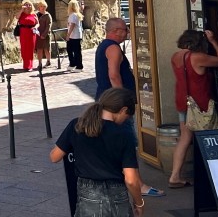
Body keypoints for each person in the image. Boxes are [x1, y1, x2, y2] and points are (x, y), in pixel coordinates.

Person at [50, 88, 146, 217]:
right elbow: (131, 179)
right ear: (123, 110)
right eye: (127, 117)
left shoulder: (77, 125)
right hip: (117, 193)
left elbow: (54, 157)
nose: (125, 120)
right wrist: (139, 203)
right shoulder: (124, 134)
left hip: (88, 194)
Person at [93, 18, 162, 198]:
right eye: (125, 30)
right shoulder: (114, 48)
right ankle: (138, 184)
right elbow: (114, 75)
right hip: (116, 105)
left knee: (114, 142)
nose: (127, 33)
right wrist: (122, 100)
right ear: (116, 31)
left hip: (105, 100)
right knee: (128, 141)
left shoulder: (104, 46)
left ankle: (119, 179)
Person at [168, 29, 218, 188]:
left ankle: (175, 176)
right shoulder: (198, 57)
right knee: (210, 136)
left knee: (185, 138)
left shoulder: (175, 56)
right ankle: (214, 175)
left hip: (183, 101)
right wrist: (213, 41)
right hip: (200, 103)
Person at [15, 1, 39, 72]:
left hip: (31, 33)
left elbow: (38, 24)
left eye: (29, 5)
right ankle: (25, 65)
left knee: (30, 49)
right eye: (26, 5)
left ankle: (30, 66)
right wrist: (22, 9)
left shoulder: (34, 14)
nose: (28, 6)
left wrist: (36, 27)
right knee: (24, 49)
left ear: (31, 6)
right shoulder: (21, 14)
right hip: (23, 33)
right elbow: (16, 17)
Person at [65, 0, 84, 72]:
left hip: (74, 36)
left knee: (76, 51)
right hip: (75, 35)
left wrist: (68, 35)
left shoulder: (73, 15)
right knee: (70, 50)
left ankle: (79, 66)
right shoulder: (74, 15)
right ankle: (72, 63)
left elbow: (72, 25)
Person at [34, 0, 53, 70]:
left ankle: (48, 61)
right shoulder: (36, 15)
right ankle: (40, 63)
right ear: (39, 7)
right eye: (41, 6)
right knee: (39, 49)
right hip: (38, 35)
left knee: (46, 49)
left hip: (45, 35)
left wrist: (44, 35)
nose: (43, 8)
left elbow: (48, 26)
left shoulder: (48, 15)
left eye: (44, 6)